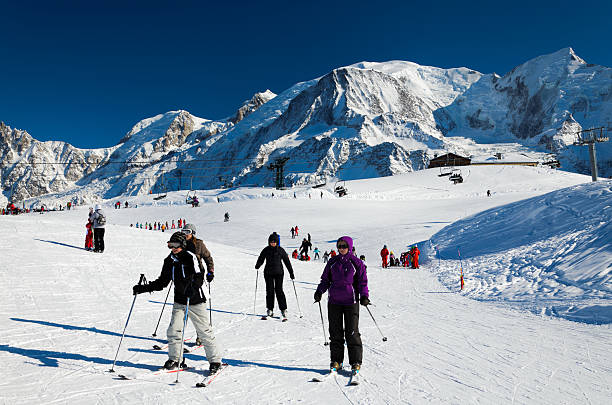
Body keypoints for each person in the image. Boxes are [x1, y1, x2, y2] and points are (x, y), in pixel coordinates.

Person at [132, 232, 223, 373]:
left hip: (196, 300)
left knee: (204, 331)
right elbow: (162, 282)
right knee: (174, 330)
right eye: (170, 245)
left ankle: (215, 361)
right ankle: (176, 359)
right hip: (180, 300)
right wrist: (143, 288)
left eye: (176, 245)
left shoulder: (190, 258)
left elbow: (199, 276)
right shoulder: (169, 261)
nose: (173, 248)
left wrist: (191, 289)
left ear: (182, 245)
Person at [314, 236, 369, 374]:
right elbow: (325, 279)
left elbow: (363, 281)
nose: (341, 248)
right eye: (339, 246)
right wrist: (320, 291)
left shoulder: (356, 263)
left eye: (344, 246)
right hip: (334, 302)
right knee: (335, 332)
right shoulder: (333, 262)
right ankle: (336, 360)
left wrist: (364, 296)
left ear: (349, 246)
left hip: (351, 301)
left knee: (352, 332)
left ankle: (355, 361)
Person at [182, 223, 215, 345]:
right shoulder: (181, 243)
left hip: (197, 278)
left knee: (198, 308)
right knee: (182, 308)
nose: (185, 234)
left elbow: (208, 258)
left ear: (193, 233)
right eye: (183, 231)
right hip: (184, 277)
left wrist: (210, 271)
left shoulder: (199, 244)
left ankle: (200, 336)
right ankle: (179, 335)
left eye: (187, 232)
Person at [255, 232, 295, 318]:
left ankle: (283, 309)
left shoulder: (281, 250)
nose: (272, 243)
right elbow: (261, 258)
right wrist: (258, 264)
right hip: (268, 273)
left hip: (279, 273)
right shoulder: (266, 250)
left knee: (279, 290)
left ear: (277, 242)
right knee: (269, 291)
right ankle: (270, 309)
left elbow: (287, 262)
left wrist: (291, 272)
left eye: (274, 241)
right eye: (271, 241)